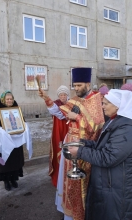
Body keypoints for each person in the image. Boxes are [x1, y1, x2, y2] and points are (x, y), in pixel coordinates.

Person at [39, 67, 104, 220]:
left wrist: (77, 117)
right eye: (74, 86)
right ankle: (70, 213)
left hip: (85, 147)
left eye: (79, 85)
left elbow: (97, 126)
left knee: (81, 183)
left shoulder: (95, 99)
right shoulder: (74, 100)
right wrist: (47, 98)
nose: (76, 89)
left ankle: (81, 214)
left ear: (88, 84)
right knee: (69, 181)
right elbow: (59, 113)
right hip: (70, 144)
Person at [68, 89, 132, 220]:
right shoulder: (114, 121)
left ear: (118, 105)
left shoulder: (126, 128)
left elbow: (108, 157)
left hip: (116, 189)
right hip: (108, 183)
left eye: (106, 104)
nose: (102, 107)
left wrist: (79, 152)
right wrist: (82, 143)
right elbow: (101, 145)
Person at [0, 91, 24, 191]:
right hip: (3, 140)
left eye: (11, 99)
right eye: (7, 99)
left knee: (15, 161)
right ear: (3, 100)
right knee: (5, 161)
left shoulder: (16, 109)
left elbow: (22, 121)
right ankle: (6, 181)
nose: (9, 101)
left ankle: (14, 179)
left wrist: (24, 126)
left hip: (15, 140)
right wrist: (0, 130)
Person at [39, 85, 69, 187]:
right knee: (59, 152)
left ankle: (68, 174)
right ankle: (59, 175)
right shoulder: (56, 104)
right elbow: (55, 110)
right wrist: (46, 98)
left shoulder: (72, 104)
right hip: (58, 132)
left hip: (69, 131)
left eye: (64, 94)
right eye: (61, 94)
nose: (63, 96)